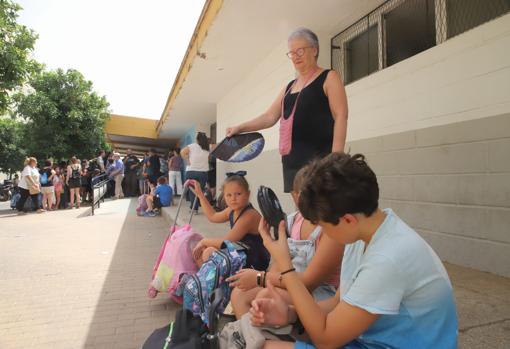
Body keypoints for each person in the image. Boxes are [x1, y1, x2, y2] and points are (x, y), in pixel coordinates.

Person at [251, 153, 458, 349]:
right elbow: (336, 303)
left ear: (347, 219)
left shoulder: (388, 258)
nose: (324, 233)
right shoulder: (367, 232)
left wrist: (286, 267)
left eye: (323, 226)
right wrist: (289, 316)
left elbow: (325, 339)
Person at [226, 27, 348, 193]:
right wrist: (240, 127)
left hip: (320, 162)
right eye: (291, 53)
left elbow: (341, 115)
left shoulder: (329, 77)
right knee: (303, 214)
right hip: (291, 163)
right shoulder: (289, 87)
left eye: (300, 51)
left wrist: (336, 158)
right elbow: (269, 117)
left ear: (314, 50)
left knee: (322, 214)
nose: (295, 56)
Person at [228, 167, 343, 319]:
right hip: (290, 280)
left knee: (265, 295)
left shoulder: (331, 231)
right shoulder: (293, 221)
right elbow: (280, 263)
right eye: (307, 195)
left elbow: (309, 283)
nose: (314, 201)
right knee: (239, 294)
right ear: (295, 196)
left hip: (321, 292)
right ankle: (250, 337)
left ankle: (266, 337)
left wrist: (260, 277)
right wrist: (268, 274)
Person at [189, 172, 269, 271]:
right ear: (224, 196)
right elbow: (213, 216)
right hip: (240, 251)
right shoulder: (232, 210)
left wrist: (204, 241)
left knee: (209, 251)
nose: (233, 199)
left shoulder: (249, 215)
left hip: (255, 259)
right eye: (229, 195)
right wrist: (200, 195)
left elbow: (226, 242)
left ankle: (221, 283)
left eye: (238, 194)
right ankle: (212, 282)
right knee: (201, 251)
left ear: (248, 194)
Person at [182, 132, 210, 212]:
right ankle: (196, 207)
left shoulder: (192, 146)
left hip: (191, 171)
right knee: (199, 191)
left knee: (192, 191)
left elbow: (182, 152)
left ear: (197, 139)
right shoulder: (207, 147)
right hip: (203, 173)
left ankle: (194, 208)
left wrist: (187, 160)